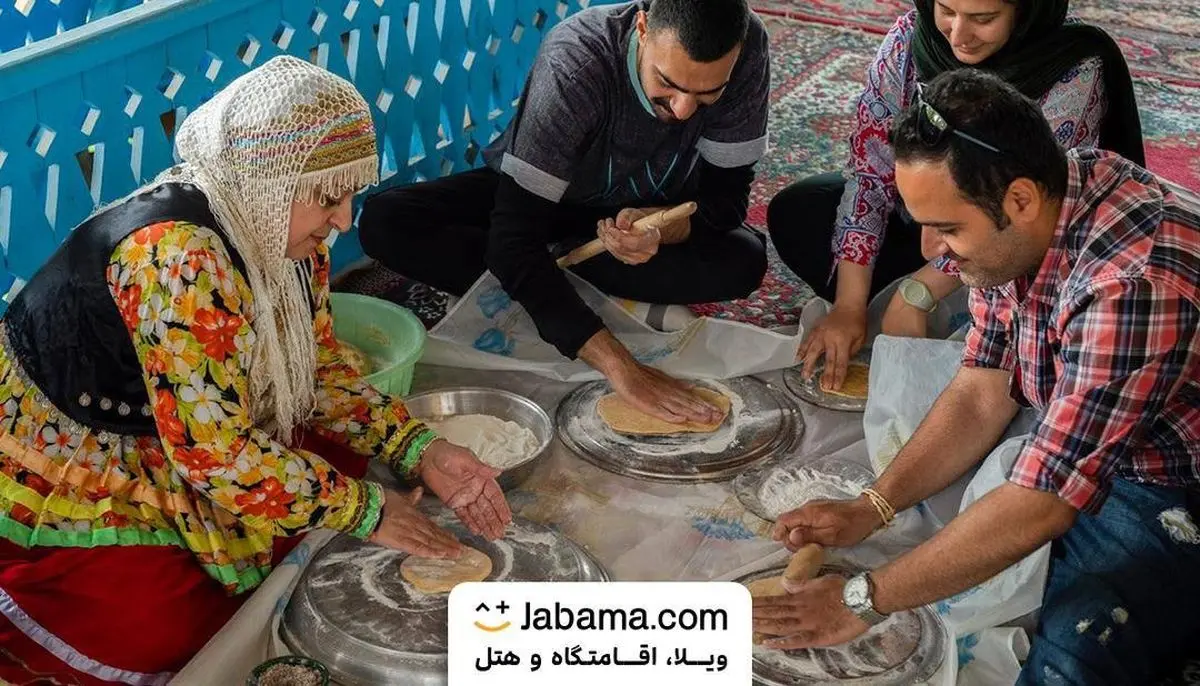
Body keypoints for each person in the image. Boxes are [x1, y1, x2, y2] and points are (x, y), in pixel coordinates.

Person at [0, 56, 512, 684]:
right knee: (155, 629)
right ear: (266, 181)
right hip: (84, 445)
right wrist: (365, 511)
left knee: (336, 468)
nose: (346, 221)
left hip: (186, 424)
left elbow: (320, 372)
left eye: (350, 194)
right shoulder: (176, 261)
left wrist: (418, 446)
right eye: (328, 198)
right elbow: (213, 455)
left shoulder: (285, 236)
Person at [753, 69, 1198, 684]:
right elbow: (982, 387)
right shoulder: (1036, 202)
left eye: (950, 228)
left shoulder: (1131, 287)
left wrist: (864, 598)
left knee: (1072, 663)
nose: (934, 248)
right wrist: (873, 507)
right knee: (943, 541)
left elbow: (1042, 504)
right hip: (1087, 430)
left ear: (1019, 200)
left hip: (1170, 480)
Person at [357, 0, 770, 426]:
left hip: (643, 221)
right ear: (643, 29)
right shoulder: (576, 61)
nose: (683, 110)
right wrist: (622, 369)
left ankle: (551, 281)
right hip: (546, 203)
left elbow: (727, 201)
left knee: (744, 260)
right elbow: (515, 236)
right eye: (667, 84)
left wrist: (662, 230)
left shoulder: (749, 46)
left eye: (707, 95)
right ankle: (571, 284)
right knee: (387, 221)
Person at [768, 0, 1144, 392]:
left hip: (1004, 242)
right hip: (929, 220)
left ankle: (957, 316)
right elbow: (871, 174)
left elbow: (1022, 213)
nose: (958, 36)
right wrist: (848, 305)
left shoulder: (1069, 66)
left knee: (1046, 332)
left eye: (983, 19)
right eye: (946, 10)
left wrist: (917, 293)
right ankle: (905, 305)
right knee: (802, 214)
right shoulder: (911, 40)